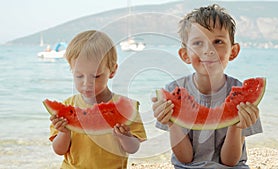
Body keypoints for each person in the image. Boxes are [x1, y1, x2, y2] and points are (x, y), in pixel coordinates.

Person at [152, 4, 262, 169]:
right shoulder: (173, 90)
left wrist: (236, 124)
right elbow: (185, 159)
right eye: (197, 43)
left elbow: (230, 161)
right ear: (185, 55)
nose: (209, 50)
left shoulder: (242, 95)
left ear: (233, 51)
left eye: (218, 41)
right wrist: (172, 122)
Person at [49, 30, 147, 169]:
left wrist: (124, 137)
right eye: (79, 76)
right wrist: (64, 132)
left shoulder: (127, 107)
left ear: (112, 71)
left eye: (96, 76)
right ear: (71, 70)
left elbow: (133, 148)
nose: (87, 83)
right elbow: (59, 150)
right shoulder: (67, 106)